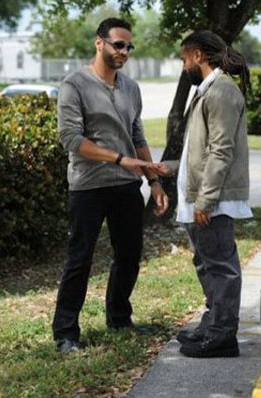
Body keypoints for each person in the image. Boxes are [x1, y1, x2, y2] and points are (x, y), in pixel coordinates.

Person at [52, 17, 169, 354]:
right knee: (80, 259)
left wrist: (154, 181)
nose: (124, 51)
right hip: (88, 186)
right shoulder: (74, 85)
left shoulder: (131, 88)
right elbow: (71, 139)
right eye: (119, 44)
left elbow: (137, 136)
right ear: (99, 42)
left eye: (129, 46)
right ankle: (65, 332)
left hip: (127, 186)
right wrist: (119, 159)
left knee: (129, 255)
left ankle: (119, 318)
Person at [157, 30, 252, 358]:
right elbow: (198, 150)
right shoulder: (208, 90)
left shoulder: (221, 91)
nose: (183, 66)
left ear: (198, 55)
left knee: (221, 267)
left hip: (213, 200)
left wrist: (206, 200)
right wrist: (170, 169)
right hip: (199, 197)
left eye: (184, 58)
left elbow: (221, 150)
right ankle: (212, 324)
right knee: (207, 263)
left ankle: (223, 335)